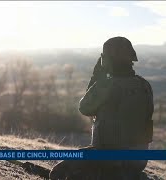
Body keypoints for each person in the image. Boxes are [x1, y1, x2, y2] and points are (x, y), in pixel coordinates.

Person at [50, 36, 154, 180]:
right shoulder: (145, 86)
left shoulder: (106, 85)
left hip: (109, 161)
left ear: (107, 60)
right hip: (138, 161)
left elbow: (85, 108)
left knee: (58, 173)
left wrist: (97, 76)